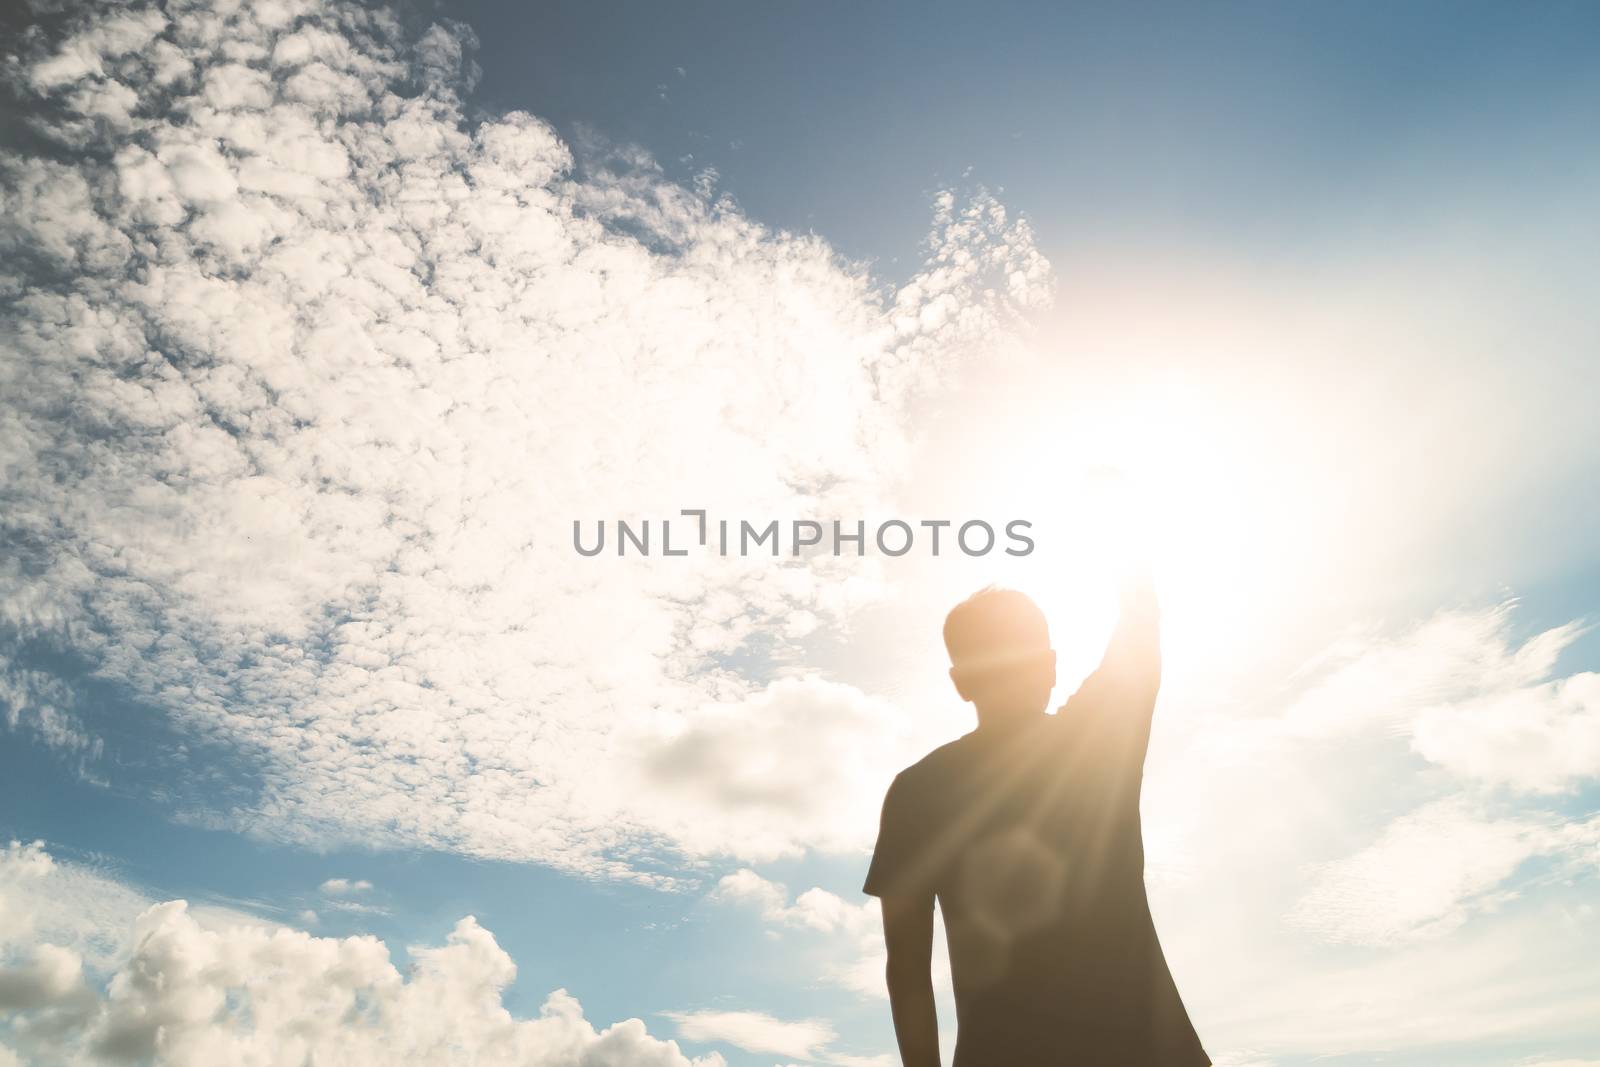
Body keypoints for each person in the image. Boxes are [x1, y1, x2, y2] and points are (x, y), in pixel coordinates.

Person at [862, 568, 1209, 1066]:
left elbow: (908, 971)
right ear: (1049, 667)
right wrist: (1115, 500)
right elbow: (1140, 621)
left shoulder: (916, 790)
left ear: (960, 683)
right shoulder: (1095, 740)